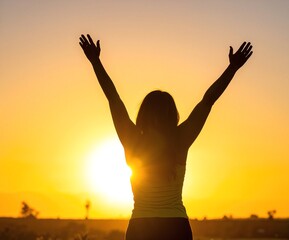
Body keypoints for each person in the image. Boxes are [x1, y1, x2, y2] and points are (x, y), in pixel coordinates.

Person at [79, 34, 253, 240]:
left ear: (144, 113)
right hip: (175, 226)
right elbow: (208, 101)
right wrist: (232, 68)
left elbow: (113, 97)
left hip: (141, 227)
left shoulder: (132, 139)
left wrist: (95, 62)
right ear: (172, 114)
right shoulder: (181, 139)